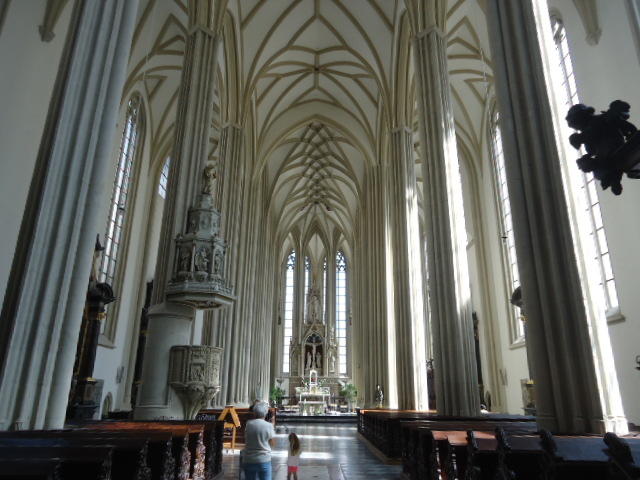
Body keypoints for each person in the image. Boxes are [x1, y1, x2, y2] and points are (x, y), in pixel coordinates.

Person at [242, 401, 275, 480]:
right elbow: (272, 443)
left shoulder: (248, 424)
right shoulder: (269, 426)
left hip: (249, 459)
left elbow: (246, 438)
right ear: (265, 413)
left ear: (254, 413)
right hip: (264, 459)